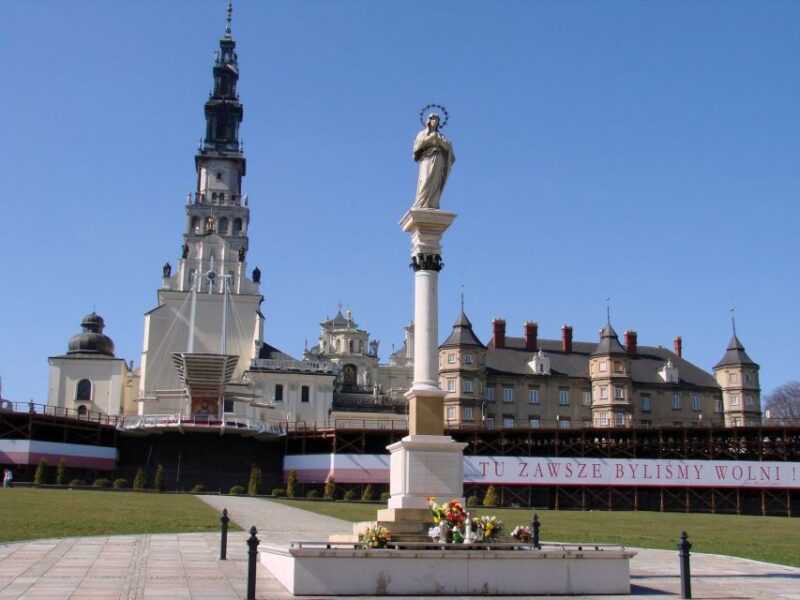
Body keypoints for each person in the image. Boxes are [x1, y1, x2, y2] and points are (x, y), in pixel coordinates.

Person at [412, 113, 455, 209]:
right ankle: (420, 203)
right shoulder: (422, 134)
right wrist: (431, 138)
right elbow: (417, 146)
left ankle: (431, 202)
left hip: (438, 158)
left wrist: (439, 140)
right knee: (425, 179)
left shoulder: (440, 135)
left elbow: (448, 147)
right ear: (429, 120)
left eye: (437, 120)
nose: (435, 121)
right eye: (433, 119)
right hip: (427, 158)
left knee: (435, 181)